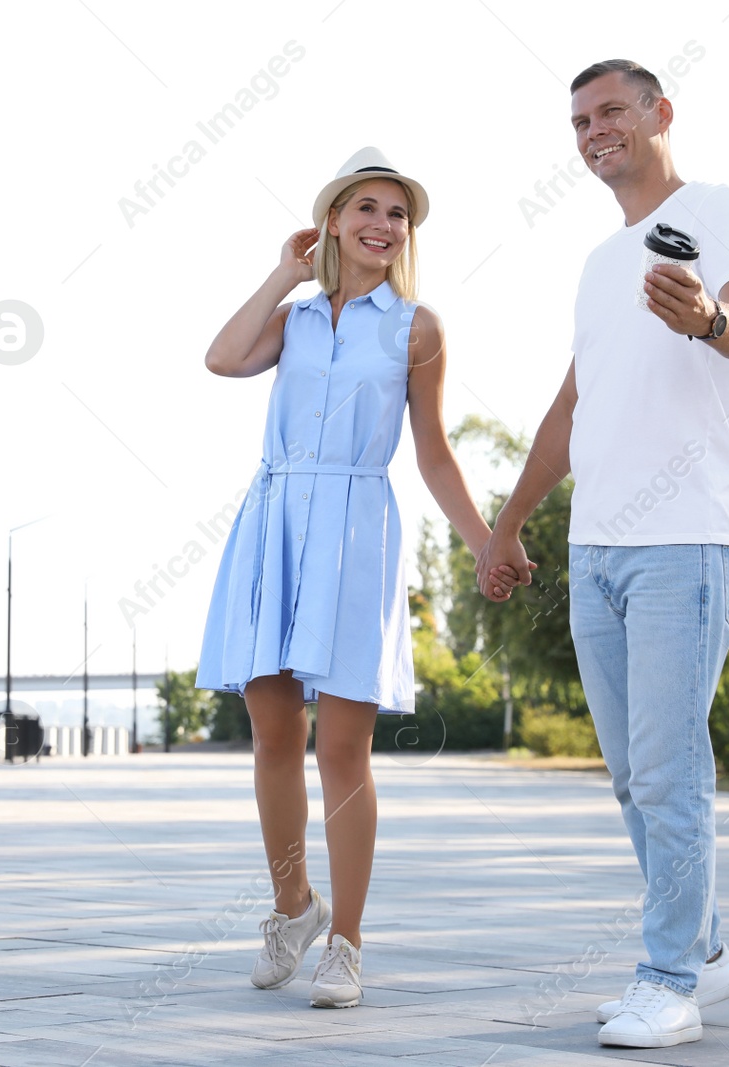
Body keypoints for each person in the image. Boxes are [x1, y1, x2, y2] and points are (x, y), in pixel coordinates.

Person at [476, 60, 729, 1049]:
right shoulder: (601, 263)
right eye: (578, 120)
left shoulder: (705, 209)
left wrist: (708, 319)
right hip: (596, 547)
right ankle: (709, 951)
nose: (592, 130)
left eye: (610, 110)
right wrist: (510, 522)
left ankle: (667, 981)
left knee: (668, 768)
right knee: (629, 774)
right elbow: (572, 406)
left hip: (681, 540)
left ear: (659, 113)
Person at [197, 147, 518, 1008]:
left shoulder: (416, 326)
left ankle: (347, 942)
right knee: (269, 734)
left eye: (397, 214)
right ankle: (292, 907)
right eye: (366, 209)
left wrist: (490, 540)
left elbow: (435, 450)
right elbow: (222, 360)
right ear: (333, 220)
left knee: (342, 747)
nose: (384, 225)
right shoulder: (295, 319)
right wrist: (279, 274)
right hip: (275, 521)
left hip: (357, 529)